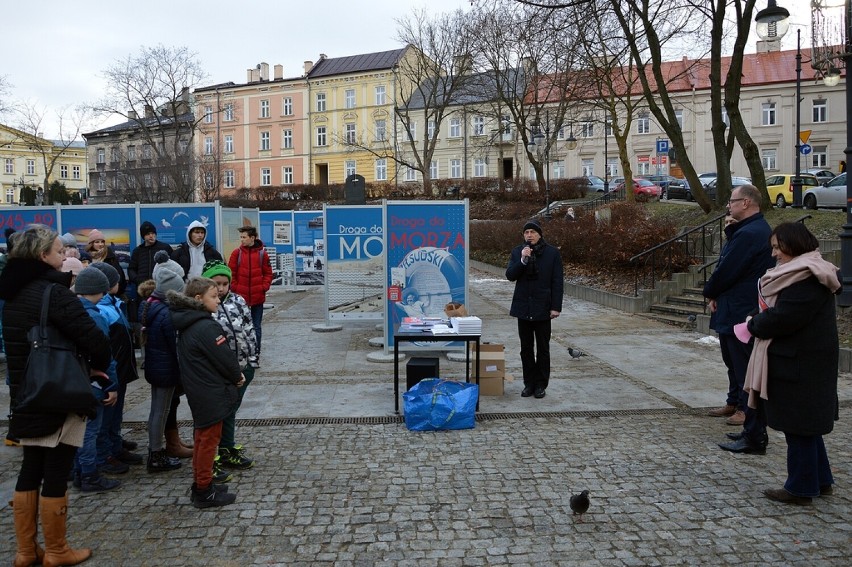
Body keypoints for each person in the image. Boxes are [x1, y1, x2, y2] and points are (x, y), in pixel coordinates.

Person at [0, 224, 111, 567]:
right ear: (41, 255)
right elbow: (94, 339)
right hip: (58, 391)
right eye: (58, 251)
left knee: (30, 468)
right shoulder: (54, 292)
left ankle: (24, 551)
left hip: (24, 392)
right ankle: (57, 550)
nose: (64, 255)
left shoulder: (12, 293)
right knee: (57, 468)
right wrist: (96, 365)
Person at [741, 223, 840, 504]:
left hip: (801, 365)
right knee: (805, 427)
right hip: (801, 362)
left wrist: (753, 324)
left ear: (793, 245)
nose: (774, 254)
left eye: (777, 247)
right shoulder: (805, 273)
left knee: (799, 427)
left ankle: (800, 487)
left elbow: (784, 318)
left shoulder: (807, 277)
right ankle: (820, 480)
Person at [706, 184, 775, 454]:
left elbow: (729, 269)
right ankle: (735, 402)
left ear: (746, 203)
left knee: (742, 363)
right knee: (731, 359)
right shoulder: (744, 231)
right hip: (732, 304)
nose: (728, 206)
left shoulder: (752, 233)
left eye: (732, 201)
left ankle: (748, 415)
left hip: (741, 308)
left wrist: (711, 290)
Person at [168, 277, 243, 508]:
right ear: (198, 299)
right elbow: (224, 358)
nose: (218, 300)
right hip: (209, 391)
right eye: (214, 296)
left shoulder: (189, 322)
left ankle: (204, 481)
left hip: (200, 389)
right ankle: (204, 490)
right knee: (208, 441)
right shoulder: (205, 326)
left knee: (203, 438)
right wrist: (237, 375)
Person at [202, 259, 259, 471]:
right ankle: (217, 451)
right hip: (220, 369)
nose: (221, 288)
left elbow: (249, 328)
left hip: (242, 365)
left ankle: (226, 447)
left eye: (225, 283)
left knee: (232, 408)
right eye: (216, 284)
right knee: (222, 410)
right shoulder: (205, 306)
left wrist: (253, 360)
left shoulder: (238, 301)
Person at [88, 262, 143, 474]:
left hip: (120, 369)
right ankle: (104, 454)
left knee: (116, 411)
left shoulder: (113, 303)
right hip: (111, 371)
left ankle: (115, 442)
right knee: (106, 415)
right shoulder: (102, 309)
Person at [71, 267, 122, 493]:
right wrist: (111, 385)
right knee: (90, 429)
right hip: (94, 381)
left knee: (76, 429)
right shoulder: (95, 316)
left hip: (74, 379)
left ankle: (78, 472)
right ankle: (90, 474)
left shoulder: (69, 311)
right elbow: (105, 355)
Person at [505, 219, 563, 399]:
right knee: (526, 349)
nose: (529, 235)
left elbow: (557, 282)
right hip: (523, 307)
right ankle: (528, 383)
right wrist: (523, 261)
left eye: (532, 232)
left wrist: (555, 307)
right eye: (526, 233)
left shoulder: (552, 253)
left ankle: (541, 385)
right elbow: (510, 276)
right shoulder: (518, 252)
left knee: (543, 349)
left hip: (543, 307)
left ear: (539, 234)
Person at [138, 255, 186, 472]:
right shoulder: (166, 314)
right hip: (165, 369)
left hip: (156, 367)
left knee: (158, 410)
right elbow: (174, 346)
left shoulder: (150, 306)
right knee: (161, 411)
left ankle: (156, 451)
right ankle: (156, 454)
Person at [227, 225, 272, 351]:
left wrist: (264, 287)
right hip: (241, 298)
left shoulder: (262, 253)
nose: (241, 239)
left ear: (252, 238)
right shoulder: (237, 253)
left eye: (244, 237)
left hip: (258, 296)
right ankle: (244, 351)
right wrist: (235, 288)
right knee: (240, 325)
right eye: (240, 237)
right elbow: (231, 273)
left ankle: (256, 352)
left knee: (256, 326)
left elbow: (268, 273)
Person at [83, 229, 127, 296]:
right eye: (97, 242)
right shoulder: (86, 258)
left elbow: (119, 277)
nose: (100, 244)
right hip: (91, 295)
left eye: (102, 242)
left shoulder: (110, 257)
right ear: (91, 244)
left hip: (109, 294)